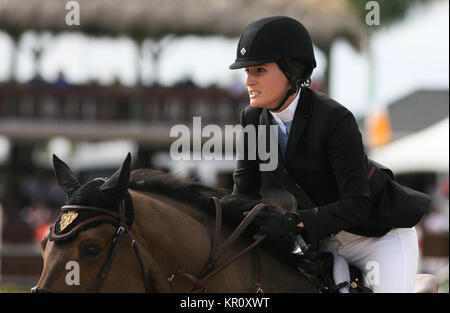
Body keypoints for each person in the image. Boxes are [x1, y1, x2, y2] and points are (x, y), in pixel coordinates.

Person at [223, 16, 431, 293]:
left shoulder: (334, 118)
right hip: (323, 241)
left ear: (292, 70)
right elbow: (245, 194)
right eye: (247, 71)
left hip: (379, 237)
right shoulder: (251, 118)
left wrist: (292, 221)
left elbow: (357, 204)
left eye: (259, 70)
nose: (249, 80)